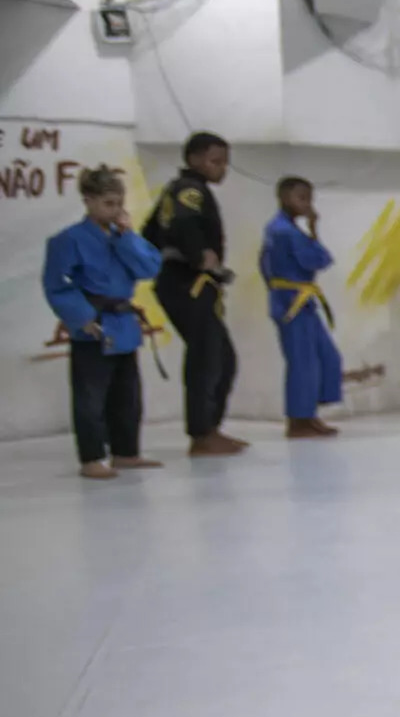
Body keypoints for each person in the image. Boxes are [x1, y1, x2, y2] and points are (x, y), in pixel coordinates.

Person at [42, 165, 164, 480]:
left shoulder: (122, 238)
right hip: (93, 323)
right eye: (108, 203)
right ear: (89, 201)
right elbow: (57, 284)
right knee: (90, 396)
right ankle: (92, 457)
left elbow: (150, 268)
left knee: (127, 394)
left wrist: (127, 237)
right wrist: (82, 318)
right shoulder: (68, 240)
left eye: (119, 203)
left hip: (123, 322)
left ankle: (125, 452)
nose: (115, 210)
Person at [141, 130, 245, 456]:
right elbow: (182, 226)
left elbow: (150, 232)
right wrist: (199, 256)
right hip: (187, 284)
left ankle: (209, 428)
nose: (222, 169)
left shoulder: (180, 190)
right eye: (216, 161)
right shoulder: (189, 190)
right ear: (194, 160)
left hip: (188, 284)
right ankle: (201, 434)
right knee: (207, 358)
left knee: (221, 358)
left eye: (225, 163)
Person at [260, 175, 343, 439]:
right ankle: (298, 420)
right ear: (284, 198)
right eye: (301, 198)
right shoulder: (283, 231)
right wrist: (313, 229)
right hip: (290, 303)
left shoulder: (287, 229)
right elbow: (316, 260)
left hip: (302, 301)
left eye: (309, 199)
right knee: (302, 362)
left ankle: (308, 413)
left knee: (327, 356)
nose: (307, 204)